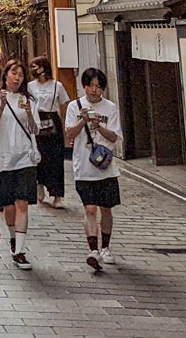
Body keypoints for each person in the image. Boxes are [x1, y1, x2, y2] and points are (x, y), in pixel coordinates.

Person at [0, 60, 39, 270]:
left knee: (22, 203)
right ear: (5, 75)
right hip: (3, 159)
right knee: (8, 207)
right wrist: (1, 106)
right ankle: (14, 238)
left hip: (25, 158)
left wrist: (30, 112)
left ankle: (20, 250)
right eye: (14, 73)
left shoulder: (29, 99)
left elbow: (35, 129)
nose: (17, 78)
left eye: (21, 75)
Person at [65, 67, 124, 273]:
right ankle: (93, 250)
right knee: (89, 209)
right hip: (83, 167)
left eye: (98, 86)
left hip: (106, 169)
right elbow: (69, 134)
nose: (94, 90)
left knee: (106, 209)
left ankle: (105, 247)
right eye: (90, 85)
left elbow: (114, 137)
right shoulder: (74, 106)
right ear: (84, 86)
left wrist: (98, 126)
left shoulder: (110, 107)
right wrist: (83, 120)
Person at [27, 57, 71, 210]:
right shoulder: (30, 86)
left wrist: (66, 128)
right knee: (39, 156)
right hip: (37, 120)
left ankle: (57, 195)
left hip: (53, 120)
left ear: (43, 67)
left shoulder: (57, 85)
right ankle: (40, 184)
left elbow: (64, 105)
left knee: (56, 159)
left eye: (35, 66)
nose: (33, 70)